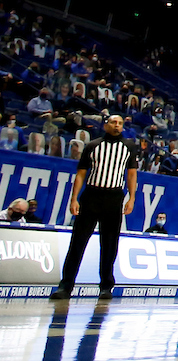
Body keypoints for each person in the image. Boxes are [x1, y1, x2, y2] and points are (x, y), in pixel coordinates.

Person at [50, 115, 136, 300]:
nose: (117, 126)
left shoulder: (129, 147)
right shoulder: (93, 145)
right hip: (91, 195)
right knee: (78, 242)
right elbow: (81, 174)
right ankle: (65, 286)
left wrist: (132, 198)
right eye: (114, 122)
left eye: (120, 123)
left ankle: (106, 287)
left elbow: (131, 175)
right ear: (106, 125)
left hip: (114, 198)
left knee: (110, 245)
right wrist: (74, 199)